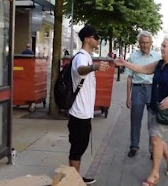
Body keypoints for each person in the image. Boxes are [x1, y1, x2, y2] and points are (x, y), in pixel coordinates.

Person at [116, 38, 168, 186]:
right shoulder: (159, 63)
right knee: (156, 138)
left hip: (166, 108)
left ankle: (155, 174)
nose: (162, 48)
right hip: (154, 106)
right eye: (162, 46)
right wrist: (125, 63)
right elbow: (143, 69)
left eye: (165, 46)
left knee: (155, 139)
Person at [68, 25, 110, 184]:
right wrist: (94, 67)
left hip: (83, 112)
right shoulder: (81, 56)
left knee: (80, 146)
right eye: (95, 37)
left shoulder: (87, 56)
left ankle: (76, 177)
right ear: (87, 38)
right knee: (77, 147)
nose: (98, 39)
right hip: (78, 112)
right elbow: (80, 70)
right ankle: (74, 180)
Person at [126, 31, 161, 158]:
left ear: (151, 43)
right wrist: (128, 97)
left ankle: (153, 150)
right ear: (139, 43)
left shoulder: (157, 57)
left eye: (147, 42)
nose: (145, 45)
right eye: (142, 43)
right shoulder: (133, 57)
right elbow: (129, 77)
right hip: (137, 89)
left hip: (152, 90)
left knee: (153, 121)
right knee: (135, 120)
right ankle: (134, 146)